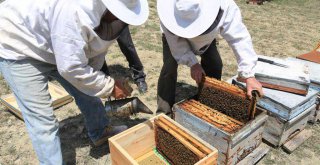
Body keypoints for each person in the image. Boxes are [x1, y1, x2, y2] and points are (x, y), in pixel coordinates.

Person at [0, 0, 149, 164]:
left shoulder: (109, 17)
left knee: (88, 91)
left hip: (55, 42)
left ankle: (100, 132)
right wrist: (109, 86)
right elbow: (70, 67)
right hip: (18, 43)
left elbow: (95, 52)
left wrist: (100, 83)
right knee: (42, 122)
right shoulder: (74, 11)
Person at [156, 0, 264, 115]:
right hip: (175, 40)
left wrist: (248, 75)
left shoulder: (225, 5)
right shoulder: (166, 13)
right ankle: (163, 112)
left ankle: (209, 102)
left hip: (207, 39)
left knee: (214, 64)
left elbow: (239, 38)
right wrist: (193, 64)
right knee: (169, 69)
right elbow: (176, 46)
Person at [100, 26, 148, 93]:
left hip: (118, 17)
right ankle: (104, 80)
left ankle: (139, 77)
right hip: (99, 19)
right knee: (99, 48)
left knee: (126, 44)